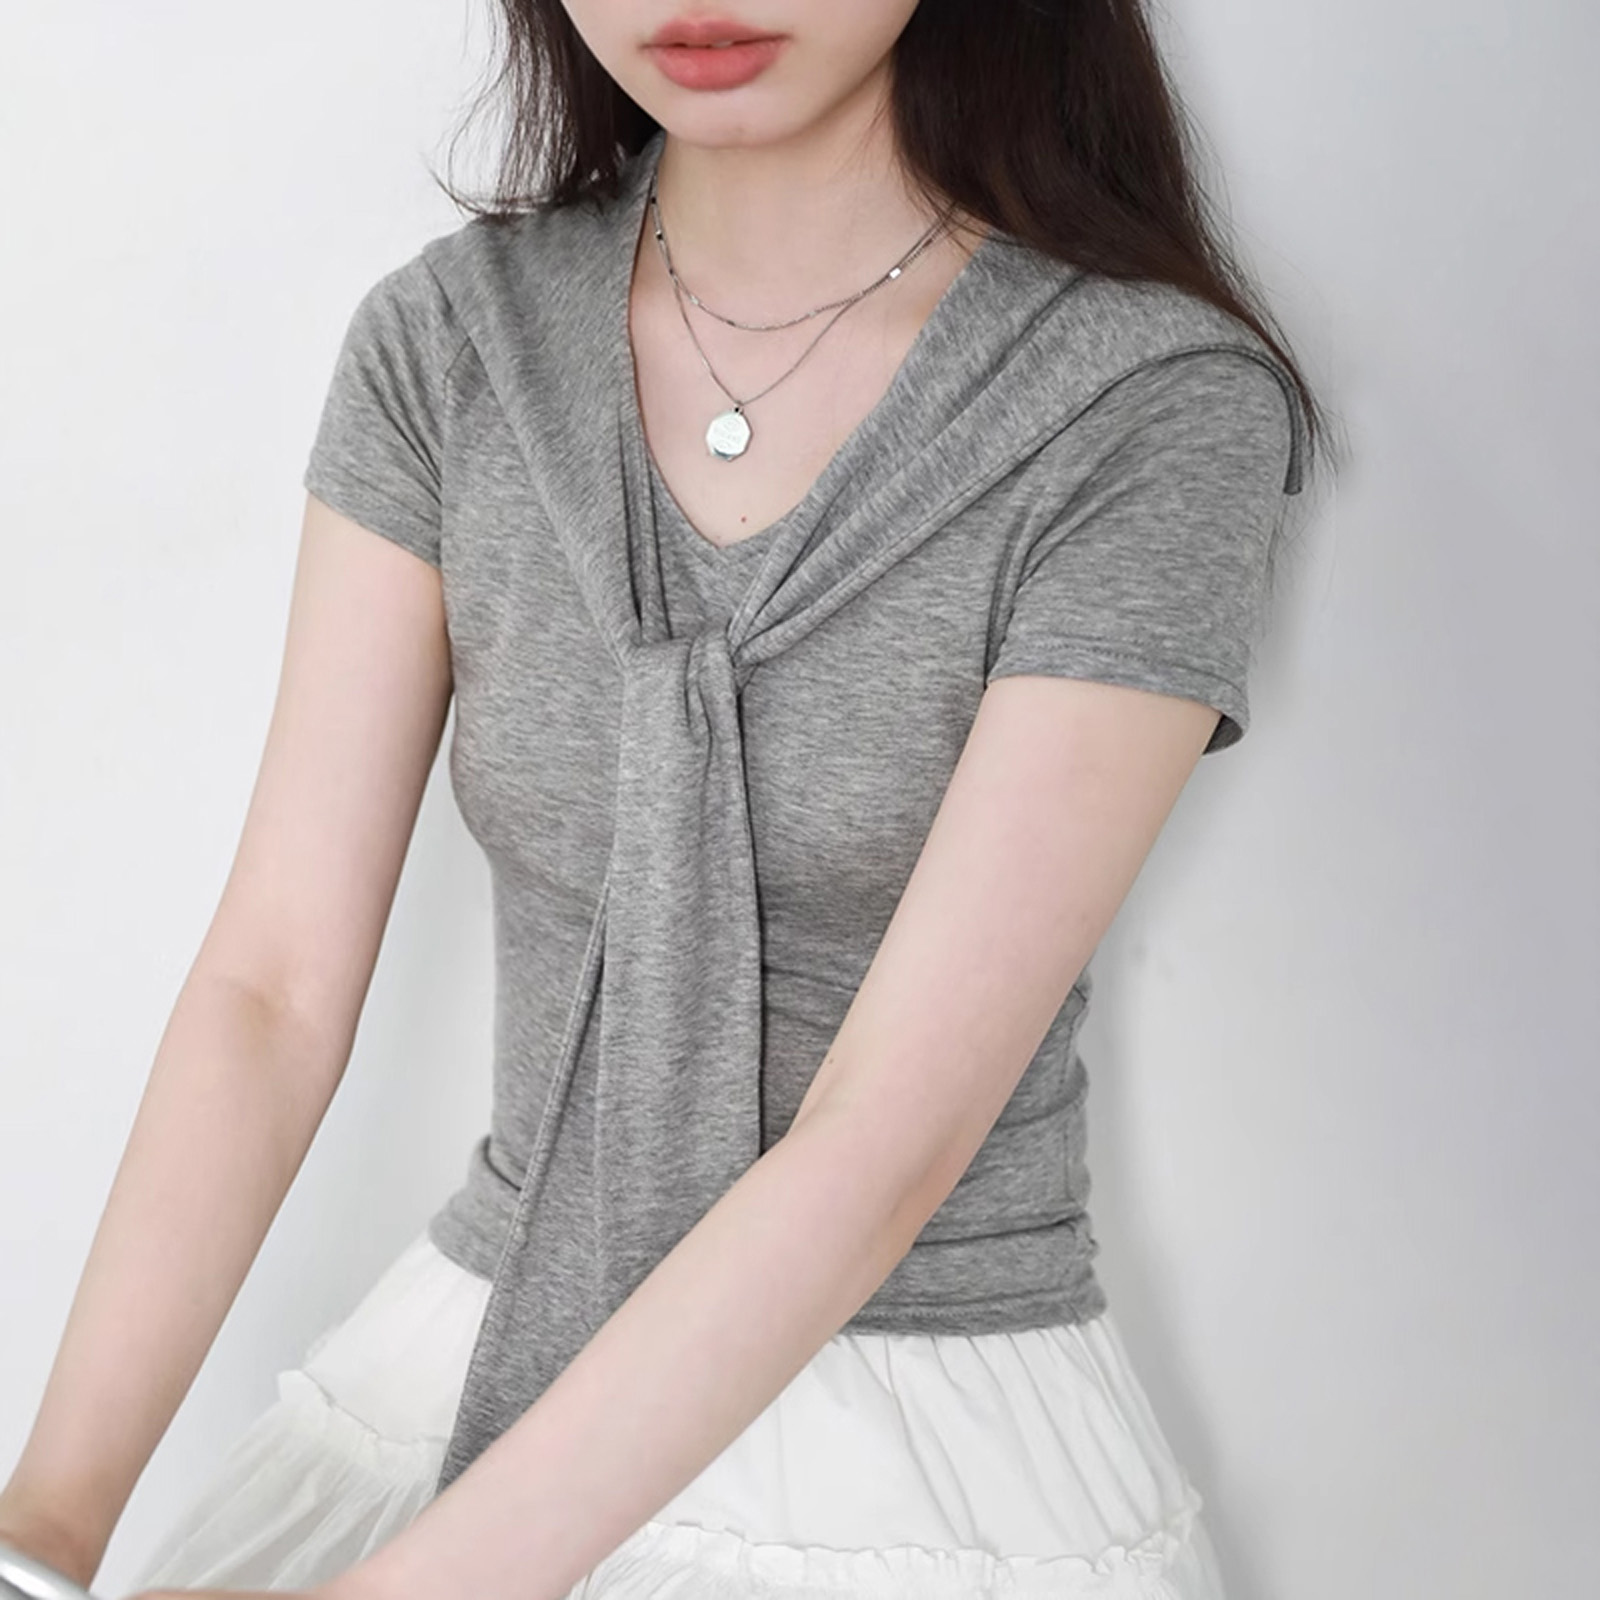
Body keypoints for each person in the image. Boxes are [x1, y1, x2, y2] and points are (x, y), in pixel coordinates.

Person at [0, 3, 1326, 1598]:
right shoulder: (454, 343)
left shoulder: (1143, 404)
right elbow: (271, 990)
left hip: (907, 1440)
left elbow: (880, 1145)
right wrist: (44, 1528)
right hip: (470, 1360)